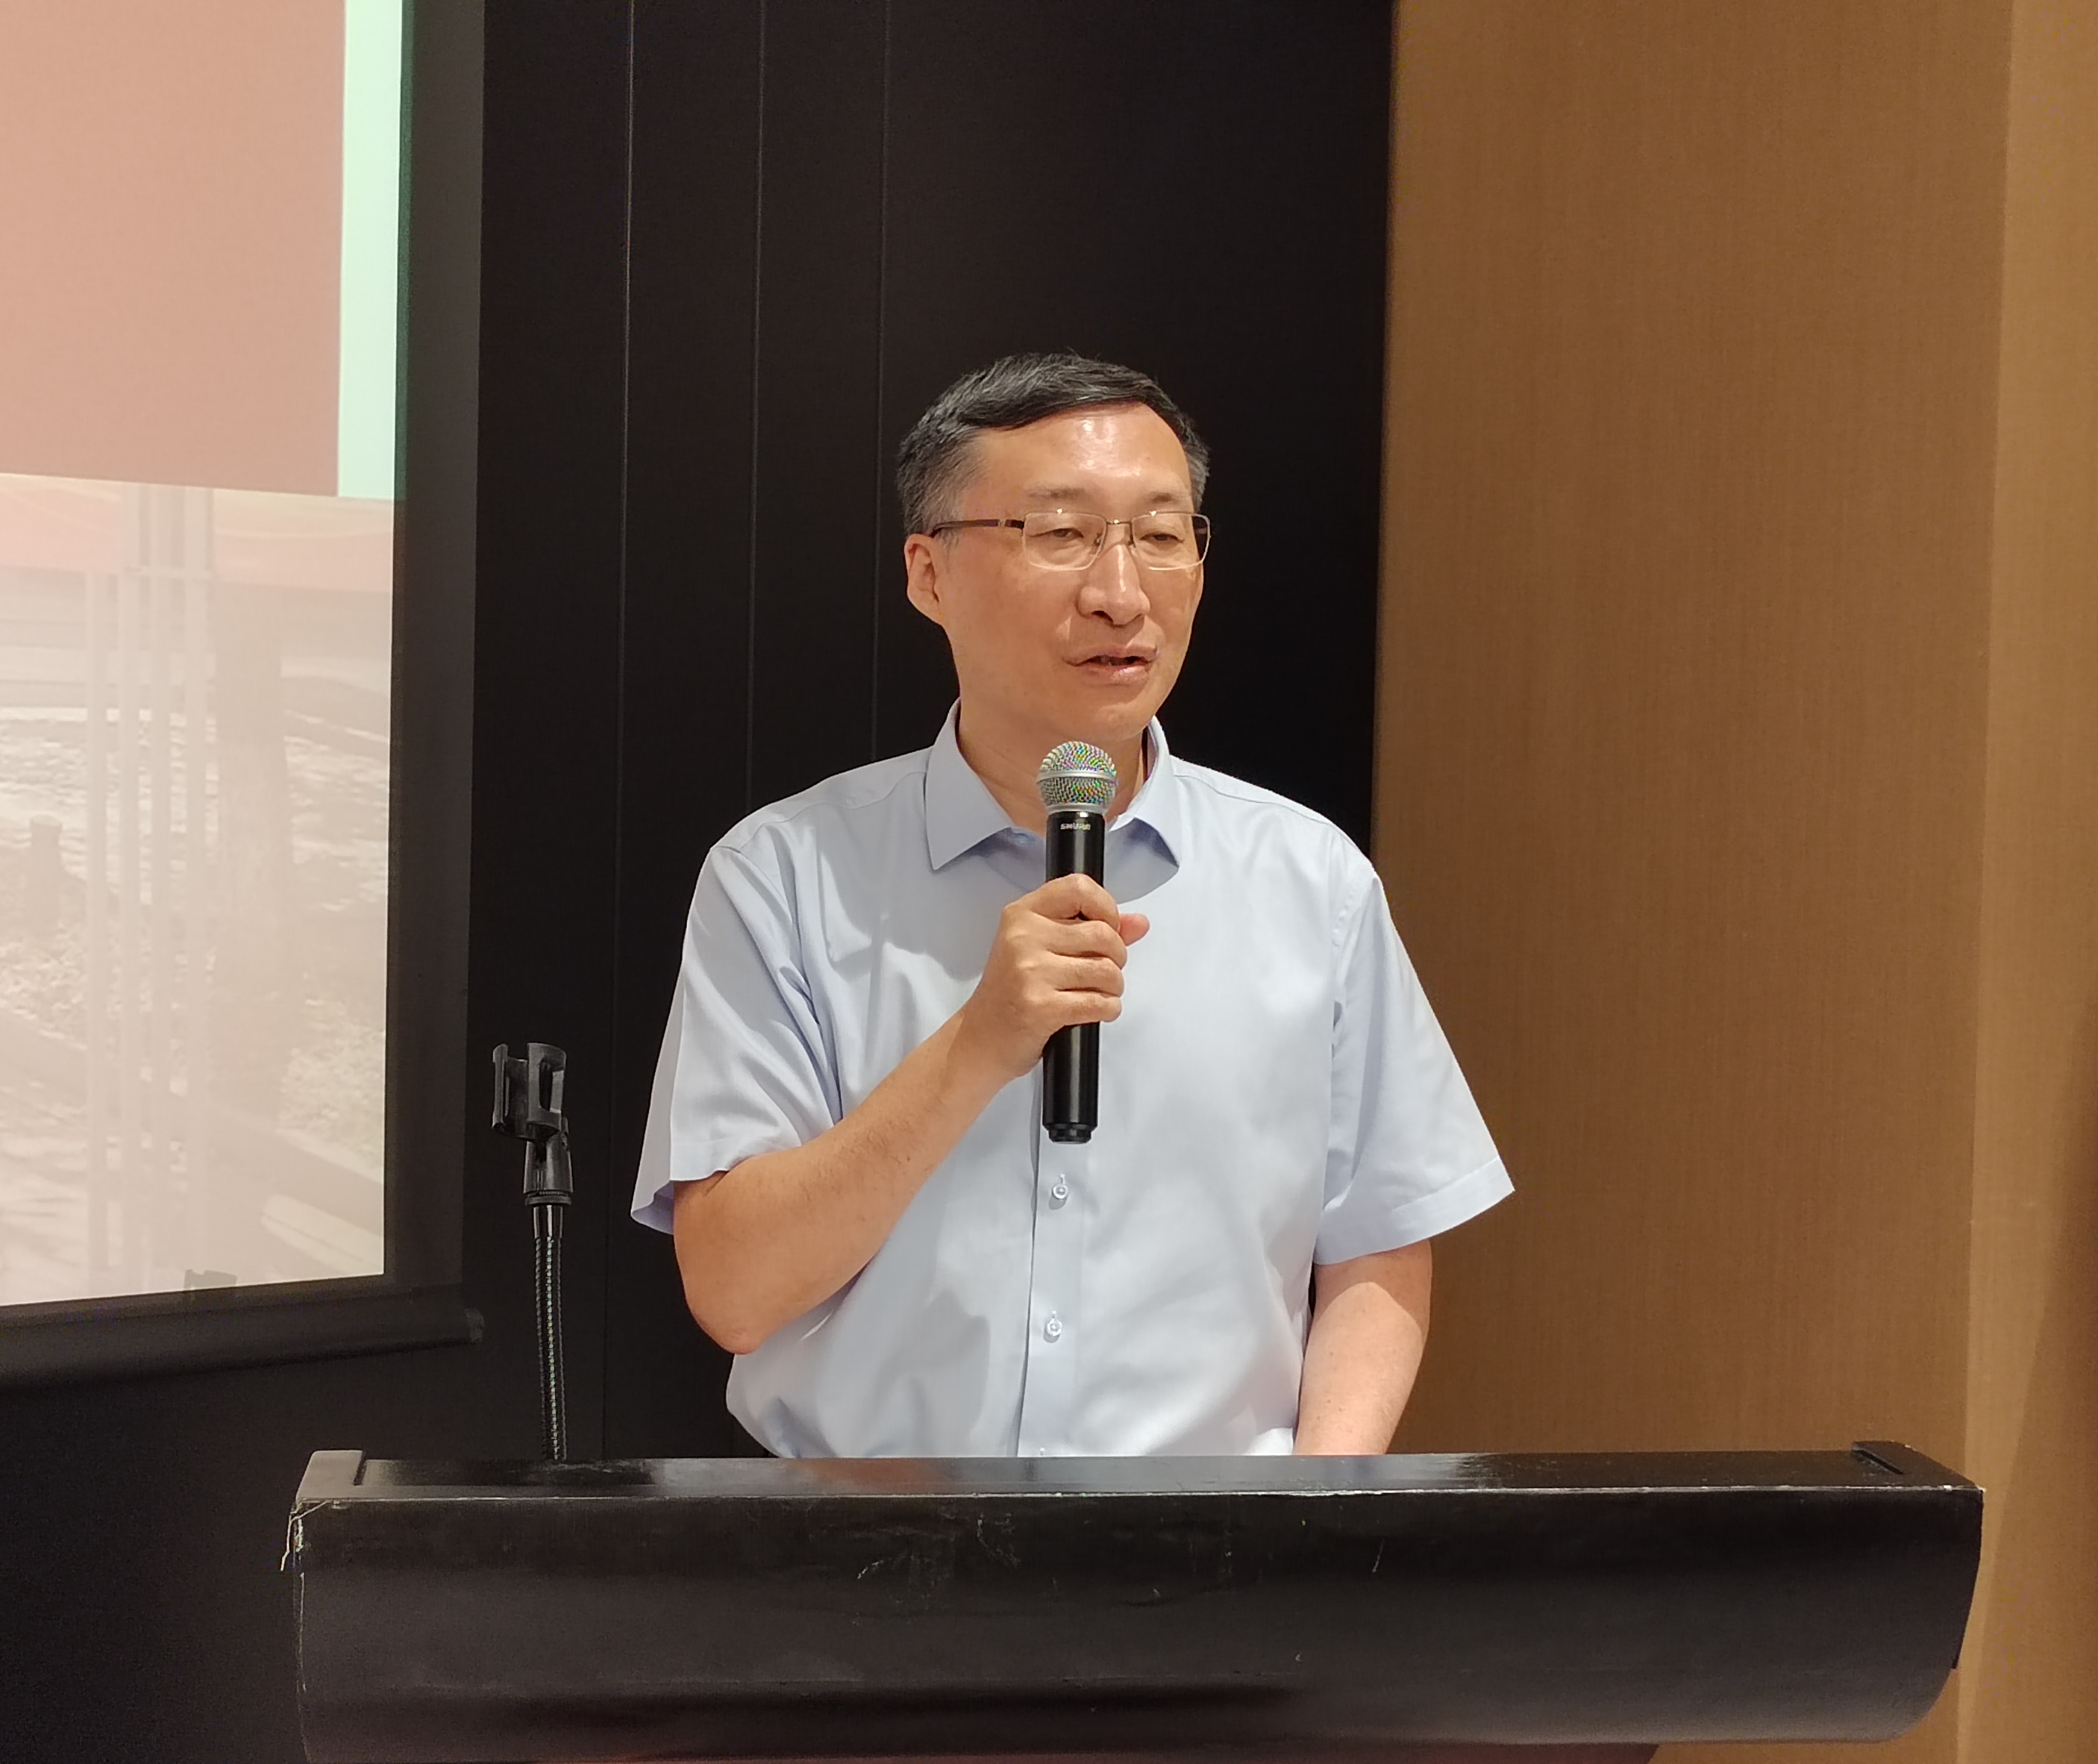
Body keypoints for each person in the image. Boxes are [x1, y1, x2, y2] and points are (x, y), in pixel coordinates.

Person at [631, 352, 1509, 1457]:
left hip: (1219, 1548)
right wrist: (977, 1046)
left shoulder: (1311, 881)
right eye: (1061, 533)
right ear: (929, 575)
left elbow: (1379, 1242)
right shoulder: (785, 876)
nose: (1121, 592)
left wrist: (1315, 1513)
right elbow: (734, 1292)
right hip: (870, 1545)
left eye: (1162, 535)